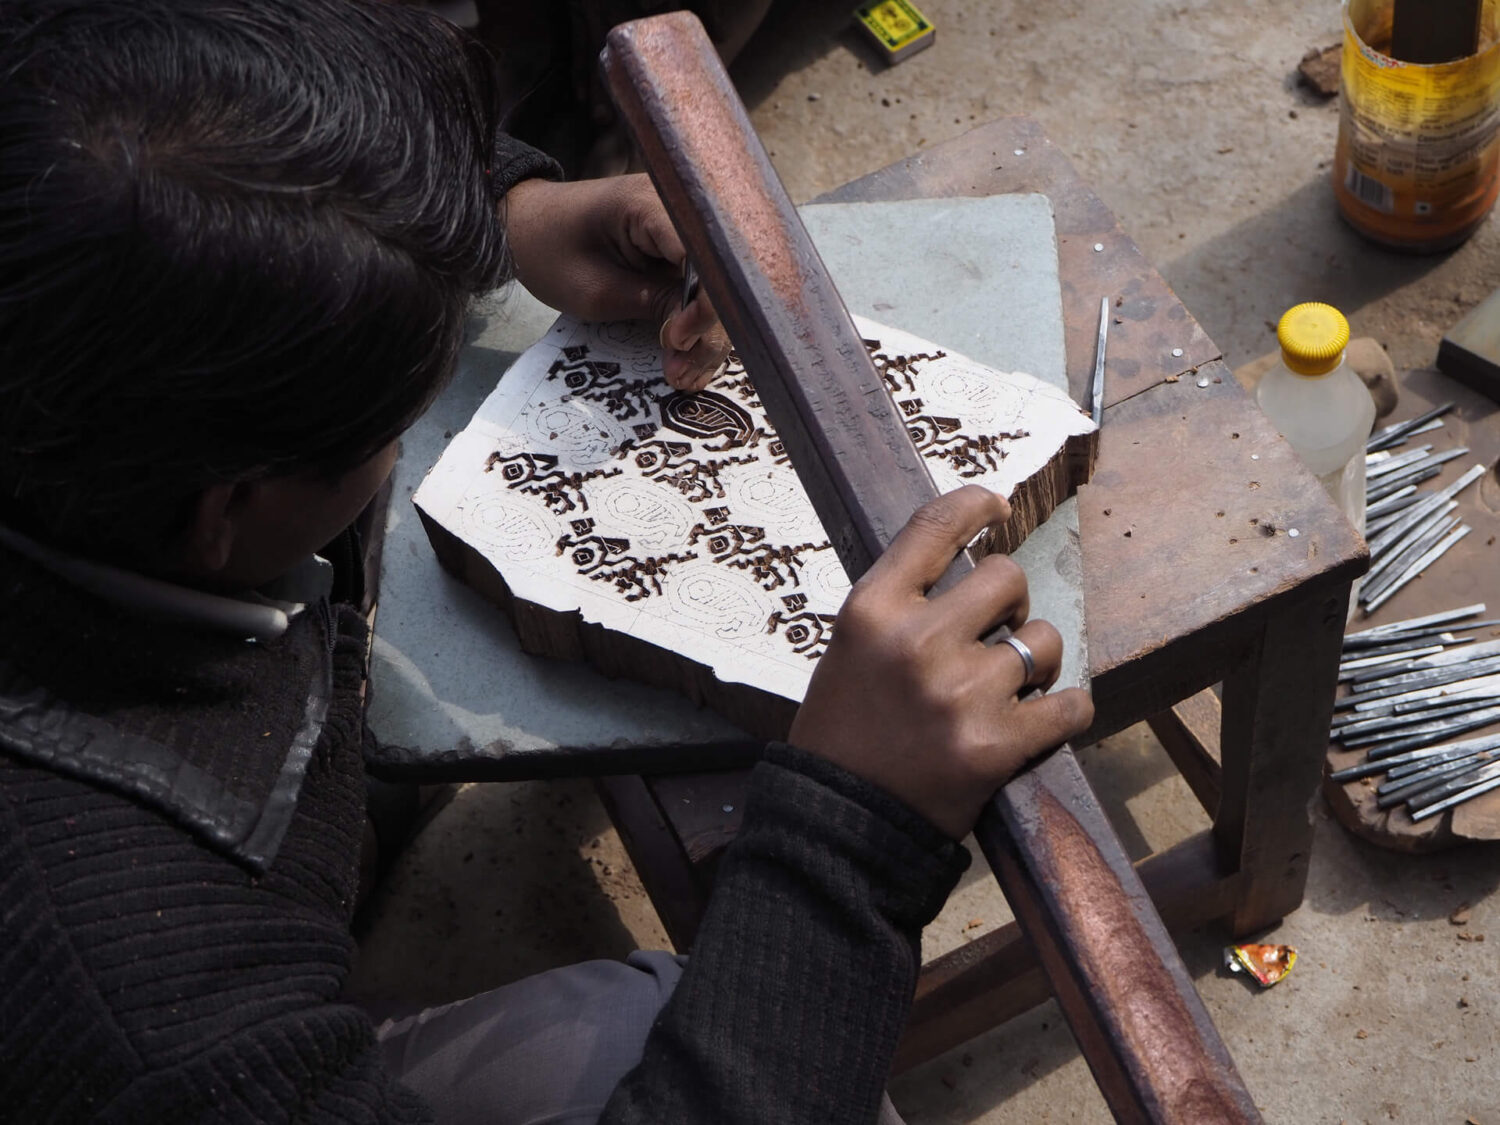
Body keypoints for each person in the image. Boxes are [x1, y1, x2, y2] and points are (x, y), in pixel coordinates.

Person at [0, 2, 1094, 1123]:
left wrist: (502, 211)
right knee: (677, 1040)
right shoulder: (144, 1006)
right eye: (399, 411)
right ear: (228, 508)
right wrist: (855, 832)